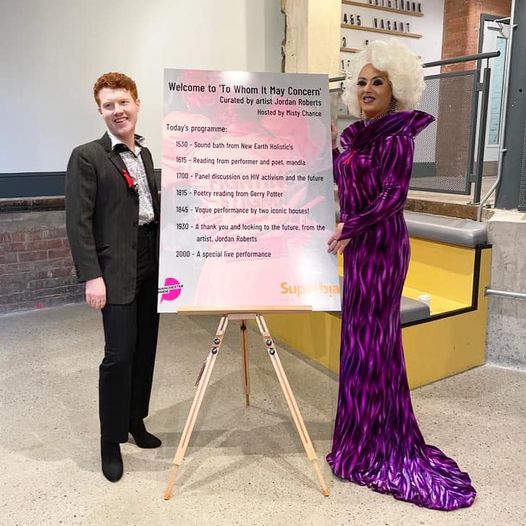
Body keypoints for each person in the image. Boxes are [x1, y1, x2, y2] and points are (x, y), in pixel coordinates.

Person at [327, 40, 476, 509]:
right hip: (359, 247)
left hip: (383, 249)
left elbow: (393, 197)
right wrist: (329, 147)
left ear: (396, 90)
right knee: (359, 341)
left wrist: (349, 226)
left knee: (374, 343)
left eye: (379, 82)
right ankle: (359, 438)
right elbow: (346, 181)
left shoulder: (397, 137)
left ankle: (379, 441)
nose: (368, 89)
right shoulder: (358, 136)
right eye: (362, 82)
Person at [65, 72, 161, 482]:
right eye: (108, 105)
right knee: (119, 355)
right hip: (115, 267)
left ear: (137, 103)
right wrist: (92, 276)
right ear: (100, 111)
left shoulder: (146, 154)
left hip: (151, 260)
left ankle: (135, 420)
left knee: (145, 349)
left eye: (123, 102)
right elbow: (78, 222)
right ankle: (110, 440)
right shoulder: (87, 156)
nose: (117, 111)